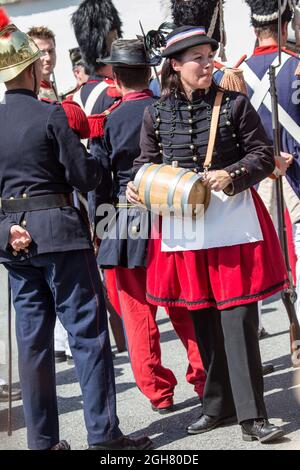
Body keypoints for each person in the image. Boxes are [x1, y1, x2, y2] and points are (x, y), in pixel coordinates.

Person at [127, 25, 288, 444]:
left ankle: (254, 414)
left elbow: (261, 155)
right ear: (175, 66)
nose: (206, 64)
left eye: (207, 55)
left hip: (233, 226)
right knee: (201, 321)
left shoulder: (234, 105)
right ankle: (217, 406)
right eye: (196, 58)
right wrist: (137, 186)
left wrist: (231, 174)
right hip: (184, 229)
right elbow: (146, 164)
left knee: (238, 322)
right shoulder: (155, 113)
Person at [0, 8, 152, 451]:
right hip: (61, 235)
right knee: (87, 334)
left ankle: (42, 442)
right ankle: (103, 435)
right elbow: (84, 176)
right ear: (30, 69)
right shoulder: (50, 116)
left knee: (33, 346)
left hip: (13, 241)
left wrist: (9, 228)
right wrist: (101, 165)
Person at [95, 38, 206, 412]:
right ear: (149, 72)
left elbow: (100, 181)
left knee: (136, 310)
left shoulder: (109, 120)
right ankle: (204, 376)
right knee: (184, 303)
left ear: (115, 76)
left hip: (124, 219)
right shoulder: (166, 108)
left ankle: (158, 392)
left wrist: (100, 229)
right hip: (167, 212)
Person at [243, 0, 300, 323]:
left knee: (255, 248)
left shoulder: (237, 73)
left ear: (255, 30)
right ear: (284, 26)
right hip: (297, 167)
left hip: (258, 170)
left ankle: (257, 325)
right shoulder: (296, 65)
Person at [27, 26, 59, 101]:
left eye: (51, 51)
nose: (48, 58)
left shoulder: (50, 86)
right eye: (41, 52)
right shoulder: (29, 93)